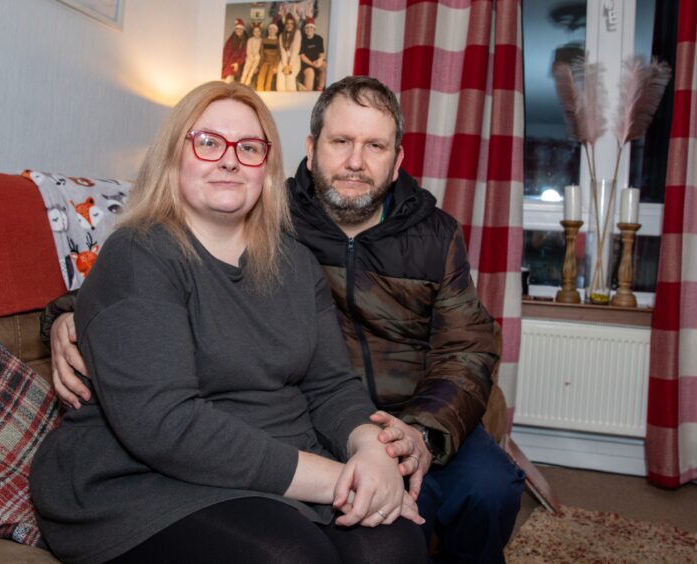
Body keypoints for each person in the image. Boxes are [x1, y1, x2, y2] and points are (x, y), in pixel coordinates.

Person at [44, 77, 526, 563]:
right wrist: (69, 314)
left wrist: (391, 445)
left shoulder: (412, 238)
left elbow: (460, 350)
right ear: (311, 151)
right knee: (297, 551)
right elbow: (134, 303)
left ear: (397, 161)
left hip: (392, 418)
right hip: (181, 471)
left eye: (248, 147)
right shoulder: (271, 220)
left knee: (434, 520)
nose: (355, 161)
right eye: (209, 143)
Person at [299, 17, 326, 91]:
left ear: (314, 29)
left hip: (316, 62)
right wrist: (312, 64)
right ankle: (308, 94)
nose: (309, 29)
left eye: (311, 27)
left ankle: (320, 88)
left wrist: (320, 60)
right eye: (307, 27)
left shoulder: (319, 38)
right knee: (310, 72)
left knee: (325, 65)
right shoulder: (301, 39)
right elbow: (302, 56)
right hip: (306, 64)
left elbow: (321, 53)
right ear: (305, 29)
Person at [276, 13, 301, 91]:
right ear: (285, 25)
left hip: (294, 60)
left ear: (294, 25)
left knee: (290, 76)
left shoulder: (297, 33)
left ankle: (291, 99)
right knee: (280, 75)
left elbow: (295, 50)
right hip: (284, 60)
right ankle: (281, 98)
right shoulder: (281, 36)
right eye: (287, 23)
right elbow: (283, 52)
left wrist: (290, 65)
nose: (289, 25)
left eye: (291, 24)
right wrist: (284, 65)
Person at [256, 22, 280, 91]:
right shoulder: (264, 40)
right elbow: (261, 53)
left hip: (273, 63)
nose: (271, 31)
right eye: (270, 29)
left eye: (273, 29)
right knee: (261, 77)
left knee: (269, 79)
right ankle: (260, 92)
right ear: (268, 30)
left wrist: (276, 66)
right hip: (265, 62)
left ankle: (267, 92)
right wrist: (259, 65)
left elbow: (278, 55)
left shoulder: (277, 41)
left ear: (276, 31)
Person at [221, 18, 247, 83]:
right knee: (227, 77)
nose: (239, 30)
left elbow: (244, 54)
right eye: (237, 29)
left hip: (239, 63)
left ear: (243, 30)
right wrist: (225, 63)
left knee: (232, 77)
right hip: (229, 63)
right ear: (235, 30)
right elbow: (226, 53)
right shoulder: (231, 40)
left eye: (240, 29)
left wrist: (237, 62)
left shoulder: (245, 41)